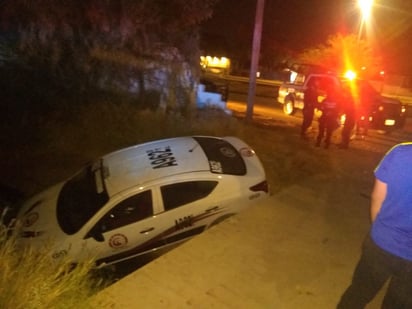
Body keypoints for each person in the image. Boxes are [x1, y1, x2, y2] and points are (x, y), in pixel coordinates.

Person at [337, 142, 412, 308]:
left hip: (380, 245)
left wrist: (379, 231)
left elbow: (377, 197)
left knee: (358, 293)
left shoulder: (400, 153)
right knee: (398, 304)